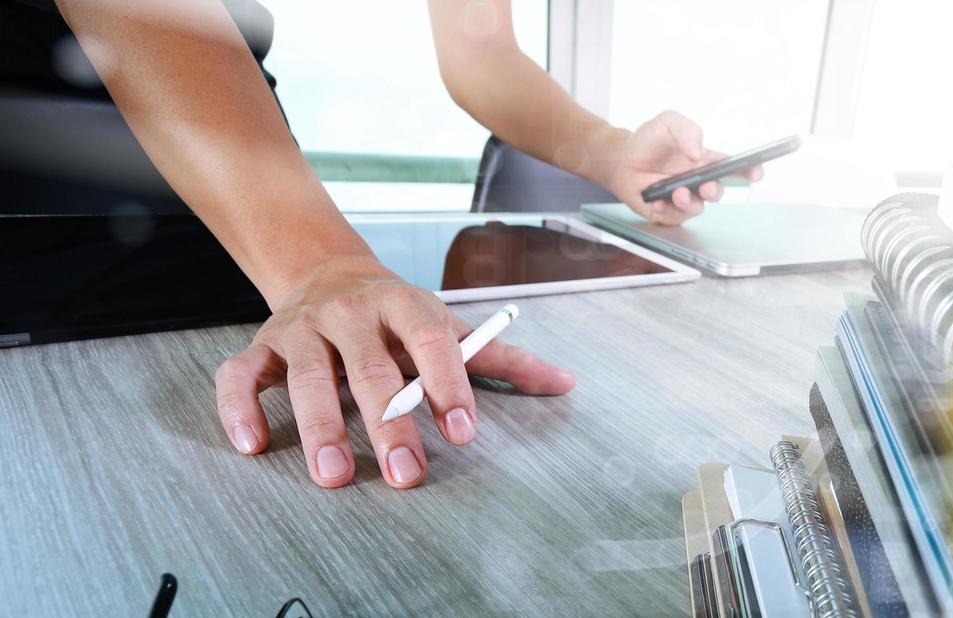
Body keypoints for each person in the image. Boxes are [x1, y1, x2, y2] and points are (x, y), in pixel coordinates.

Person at [37, 0, 760, 489]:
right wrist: (321, 264)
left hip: (239, 223)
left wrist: (609, 152)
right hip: (46, 210)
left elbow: (480, 47)